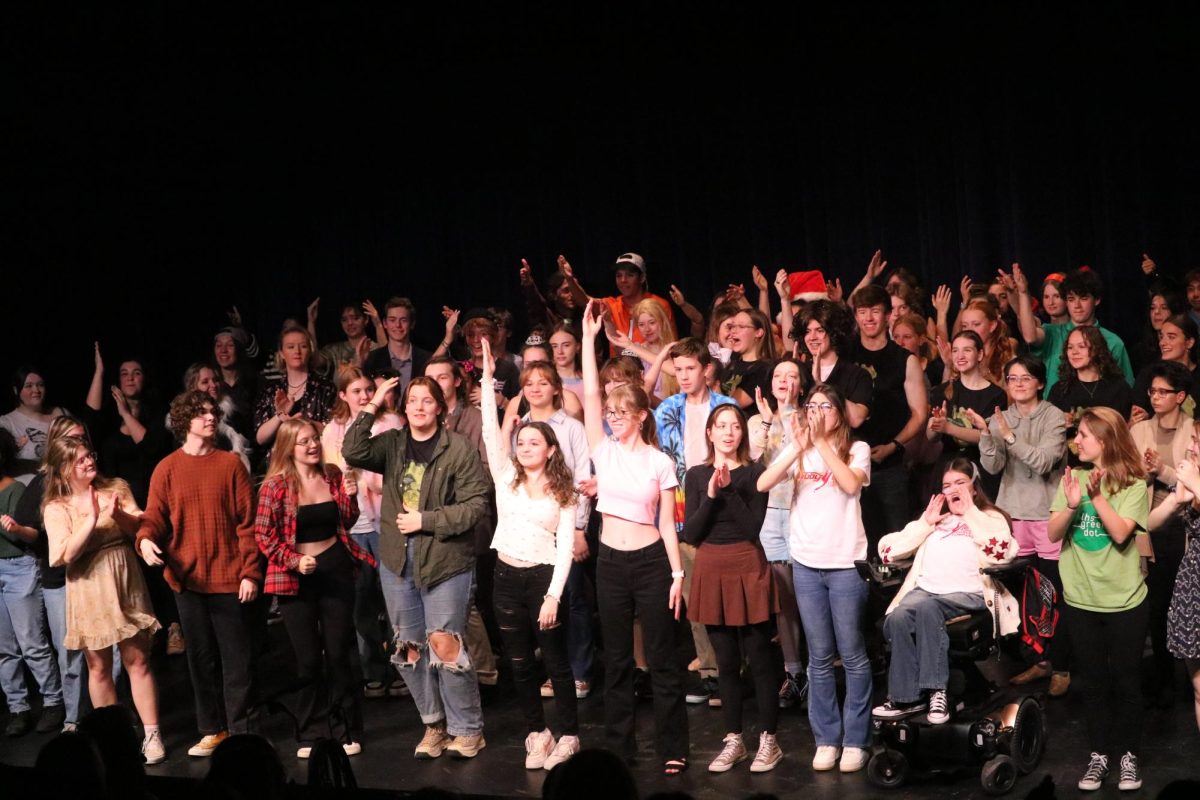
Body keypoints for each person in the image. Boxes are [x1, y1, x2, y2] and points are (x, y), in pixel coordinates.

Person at [342, 375, 490, 760]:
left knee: (444, 645)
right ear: (404, 408)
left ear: (440, 407)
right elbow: (353, 449)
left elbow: (476, 506)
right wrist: (373, 403)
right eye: (412, 401)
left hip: (445, 562)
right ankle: (434, 724)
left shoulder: (457, 449)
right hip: (397, 562)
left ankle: (468, 729)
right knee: (408, 649)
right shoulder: (392, 444)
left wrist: (427, 520)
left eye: (427, 401)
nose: (419, 407)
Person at [580, 300, 689, 775]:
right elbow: (587, 392)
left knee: (663, 661)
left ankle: (673, 746)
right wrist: (588, 340)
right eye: (611, 412)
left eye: (624, 412)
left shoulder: (658, 462)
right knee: (619, 661)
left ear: (642, 415)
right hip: (609, 562)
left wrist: (677, 573)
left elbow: (666, 523)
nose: (614, 418)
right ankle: (619, 750)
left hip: (651, 563)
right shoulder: (602, 451)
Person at [136, 390, 262, 759]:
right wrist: (144, 540)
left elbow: (247, 525)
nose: (211, 418)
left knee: (236, 660)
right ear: (183, 422)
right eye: (202, 413)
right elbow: (154, 517)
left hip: (228, 577)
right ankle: (213, 729)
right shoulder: (167, 468)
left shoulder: (230, 465)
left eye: (212, 412)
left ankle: (243, 730)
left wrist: (250, 573)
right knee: (200, 660)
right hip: (187, 580)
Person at [757, 383, 873, 773]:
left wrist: (820, 442)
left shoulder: (857, 449)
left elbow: (851, 483)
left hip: (844, 563)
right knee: (818, 656)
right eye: (812, 405)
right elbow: (763, 482)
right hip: (806, 563)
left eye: (826, 405)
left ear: (839, 413)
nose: (818, 410)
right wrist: (796, 444)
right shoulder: (800, 451)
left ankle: (856, 739)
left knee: (852, 653)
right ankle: (826, 738)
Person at [478, 339, 582, 770]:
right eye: (522, 443)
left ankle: (569, 734)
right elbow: (489, 429)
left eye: (533, 443)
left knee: (555, 662)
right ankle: (536, 733)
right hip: (505, 577)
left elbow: (563, 551)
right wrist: (486, 379)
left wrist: (553, 596)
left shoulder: (564, 492)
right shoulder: (506, 477)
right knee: (519, 662)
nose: (524, 448)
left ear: (551, 450)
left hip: (543, 580)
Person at [256, 417, 375, 757]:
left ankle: (347, 728)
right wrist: (294, 560)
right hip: (296, 577)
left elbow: (346, 521)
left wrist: (351, 499)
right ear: (288, 448)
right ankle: (311, 732)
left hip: (335, 568)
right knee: (308, 659)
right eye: (303, 441)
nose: (311, 446)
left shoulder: (333, 475)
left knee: (338, 653)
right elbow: (264, 536)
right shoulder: (275, 487)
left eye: (314, 439)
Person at [42, 436, 162, 763]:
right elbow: (64, 554)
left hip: (123, 577)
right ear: (64, 469)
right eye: (79, 460)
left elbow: (141, 525)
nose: (88, 462)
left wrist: (117, 515)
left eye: (89, 455)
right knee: (98, 667)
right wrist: (92, 518)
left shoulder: (116, 488)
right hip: (87, 585)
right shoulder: (56, 507)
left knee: (138, 660)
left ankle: (152, 735)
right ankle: (115, 739)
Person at [1048, 407, 1150, 792]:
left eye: (1084, 436)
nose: (1077, 442)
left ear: (1104, 441)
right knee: (1092, 682)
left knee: (1125, 681)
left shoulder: (1134, 484)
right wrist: (1074, 504)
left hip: (1124, 601)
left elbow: (1122, 534)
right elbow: (1054, 533)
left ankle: (1128, 755)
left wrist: (1097, 498)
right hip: (1080, 600)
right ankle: (1099, 755)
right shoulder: (1073, 478)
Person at [873, 458, 1018, 723]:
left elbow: (1002, 553)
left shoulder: (990, 517)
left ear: (974, 487)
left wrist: (971, 511)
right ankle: (905, 698)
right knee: (898, 616)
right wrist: (924, 524)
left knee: (928, 608)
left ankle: (935, 691)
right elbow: (887, 552)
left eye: (960, 483)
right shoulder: (938, 519)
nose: (953, 490)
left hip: (970, 593)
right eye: (947, 485)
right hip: (927, 590)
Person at [683, 405, 781, 773]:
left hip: (747, 563)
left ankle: (769, 741)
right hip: (711, 566)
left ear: (743, 433)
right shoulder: (695, 475)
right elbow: (691, 533)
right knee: (725, 662)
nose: (728, 432)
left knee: (758, 658)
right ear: (709, 432)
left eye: (735, 426)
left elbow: (752, 526)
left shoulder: (755, 472)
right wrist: (710, 495)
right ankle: (734, 739)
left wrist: (729, 491)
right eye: (720, 426)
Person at [978, 357, 1071, 696]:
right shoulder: (1001, 418)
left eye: (1025, 378)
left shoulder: (1054, 417)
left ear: (1040, 383)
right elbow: (993, 465)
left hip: (1047, 514)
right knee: (1022, 594)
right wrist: (986, 436)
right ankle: (1039, 659)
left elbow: (1045, 461)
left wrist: (1007, 435)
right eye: (1012, 378)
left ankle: (1061, 664)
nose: (1017, 384)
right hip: (1014, 513)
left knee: (1053, 593)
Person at [652, 337, 737, 708]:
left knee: (727, 595)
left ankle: (733, 669)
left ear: (706, 369)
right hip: (683, 511)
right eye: (679, 369)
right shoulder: (668, 408)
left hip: (723, 507)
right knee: (694, 598)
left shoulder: (725, 407)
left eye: (690, 369)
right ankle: (711, 674)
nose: (684, 376)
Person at [322, 367, 403, 699]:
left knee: (394, 599)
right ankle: (372, 668)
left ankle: (402, 665)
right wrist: (344, 482)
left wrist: (370, 479)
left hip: (385, 522)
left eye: (369, 389)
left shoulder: (390, 424)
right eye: (356, 391)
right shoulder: (334, 430)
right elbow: (328, 474)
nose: (365, 396)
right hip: (354, 527)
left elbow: (398, 477)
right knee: (361, 602)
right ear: (343, 395)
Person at [8, 416, 88, 733]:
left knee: (108, 652)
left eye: (82, 438)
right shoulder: (42, 485)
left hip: (93, 574)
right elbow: (30, 528)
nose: (78, 446)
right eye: (71, 439)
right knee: (69, 653)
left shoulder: (91, 476)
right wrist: (16, 529)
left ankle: (110, 711)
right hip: (59, 580)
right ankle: (73, 717)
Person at [1130, 361, 1196, 708]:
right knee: (1152, 600)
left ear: (1180, 396)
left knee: (1180, 601)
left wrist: (1162, 469)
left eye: (1162, 391)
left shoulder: (1192, 430)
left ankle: (1187, 677)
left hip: (1183, 526)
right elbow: (1127, 477)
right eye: (1152, 391)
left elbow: (1191, 480)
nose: (1155, 397)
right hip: (1146, 523)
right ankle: (1160, 677)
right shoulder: (1140, 430)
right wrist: (1144, 473)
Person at [747, 358, 808, 709]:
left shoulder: (809, 416)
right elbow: (757, 463)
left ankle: (816, 672)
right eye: (779, 376)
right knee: (783, 601)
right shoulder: (758, 419)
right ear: (771, 384)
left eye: (793, 376)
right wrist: (770, 420)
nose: (785, 381)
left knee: (808, 599)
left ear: (801, 384)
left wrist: (788, 416)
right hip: (771, 517)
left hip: (802, 513)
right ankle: (793, 672)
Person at [851, 285, 929, 544]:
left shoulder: (904, 359)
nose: (869, 318)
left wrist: (893, 446)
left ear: (888, 316)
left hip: (889, 465)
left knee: (896, 542)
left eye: (875, 311)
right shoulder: (845, 355)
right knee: (858, 542)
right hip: (848, 463)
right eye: (862, 312)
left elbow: (920, 413)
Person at [0, 428, 66, 736]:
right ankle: (18, 708)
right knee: (4, 648)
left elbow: (29, 533)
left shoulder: (15, 489)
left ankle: (53, 701)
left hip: (19, 567)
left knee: (31, 642)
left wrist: (11, 526)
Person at [1011, 265, 1134, 396]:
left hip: (1096, 413)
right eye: (1071, 299)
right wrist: (1023, 293)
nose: (1077, 306)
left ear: (1097, 300)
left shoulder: (1113, 341)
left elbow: (1126, 387)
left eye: (1083, 298)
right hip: (1055, 411)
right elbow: (1030, 337)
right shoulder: (1052, 333)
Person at [927, 331, 1007, 499]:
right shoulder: (942, 391)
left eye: (967, 350)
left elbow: (986, 437)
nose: (960, 356)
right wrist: (937, 425)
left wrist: (948, 427)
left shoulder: (996, 394)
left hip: (980, 472)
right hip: (947, 469)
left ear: (980, 354)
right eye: (955, 350)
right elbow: (931, 437)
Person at [562, 252, 676, 357]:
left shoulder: (659, 304)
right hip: (620, 375)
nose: (623, 280)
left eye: (630, 275)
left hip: (653, 372)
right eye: (619, 275)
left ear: (642, 278)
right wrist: (569, 279)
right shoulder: (612, 305)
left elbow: (671, 345)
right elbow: (585, 302)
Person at [1165, 437, 1200, 734]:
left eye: (1199, 441)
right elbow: (1151, 522)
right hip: (1193, 586)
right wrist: (1179, 494)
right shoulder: (1192, 482)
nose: (1193, 447)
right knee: (1199, 689)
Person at [254, 324, 337, 448]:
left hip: (315, 457)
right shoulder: (271, 389)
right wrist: (279, 416)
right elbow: (260, 438)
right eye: (290, 347)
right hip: (279, 461)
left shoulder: (325, 388)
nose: (297, 351)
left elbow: (334, 431)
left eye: (303, 346)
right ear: (281, 353)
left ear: (310, 350)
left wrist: (304, 421)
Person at [794, 301, 872, 429]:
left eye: (820, 330)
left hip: (841, 446)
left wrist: (821, 384)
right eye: (807, 331)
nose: (812, 337)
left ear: (834, 333)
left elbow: (856, 420)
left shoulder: (857, 374)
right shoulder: (801, 370)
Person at [1, 366, 69, 485]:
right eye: (28, 386)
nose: (36, 390)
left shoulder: (60, 413)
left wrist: (98, 373)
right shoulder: (6, 422)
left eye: (40, 385)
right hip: (28, 492)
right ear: (16, 390)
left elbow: (89, 422)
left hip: (65, 485)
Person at [362, 297, 432, 395]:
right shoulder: (373, 359)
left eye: (403, 320)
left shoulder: (425, 359)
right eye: (392, 320)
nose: (398, 325)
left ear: (412, 324)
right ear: (385, 323)